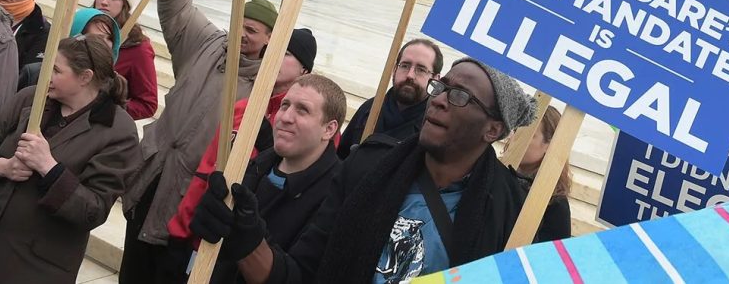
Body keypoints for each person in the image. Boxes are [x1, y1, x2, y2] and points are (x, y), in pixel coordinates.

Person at [193, 58, 537, 284]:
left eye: (460, 95)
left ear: (493, 129)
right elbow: (300, 275)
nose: (440, 99)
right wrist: (245, 237)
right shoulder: (366, 168)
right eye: (441, 87)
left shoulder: (514, 217)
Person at [118, 0, 279, 283]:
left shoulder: (263, 86)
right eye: (241, 24)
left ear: (269, 38)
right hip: (151, 178)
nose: (243, 33)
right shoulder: (207, 42)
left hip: (189, 205)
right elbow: (178, 10)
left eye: (253, 30)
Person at [159, 28, 324, 282]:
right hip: (208, 236)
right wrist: (182, 230)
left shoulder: (313, 128)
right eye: (273, 50)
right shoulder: (241, 109)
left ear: (305, 70)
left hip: (259, 253)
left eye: (287, 53)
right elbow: (207, 171)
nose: (276, 57)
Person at [0, 34, 140, 283]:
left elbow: (94, 210)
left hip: (31, 267)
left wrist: (49, 167)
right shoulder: (31, 98)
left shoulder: (118, 131)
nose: (46, 75)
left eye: (56, 70)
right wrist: (0, 166)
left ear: (85, 77)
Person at [189, 73, 347, 284]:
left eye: (303, 110)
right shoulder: (254, 165)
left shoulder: (337, 196)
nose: (285, 117)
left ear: (329, 129)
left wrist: (248, 240)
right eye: (284, 105)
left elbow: (301, 277)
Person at [337, 38, 443, 159]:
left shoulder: (431, 128)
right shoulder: (370, 108)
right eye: (405, 66)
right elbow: (341, 156)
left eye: (421, 69)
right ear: (394, 69)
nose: (410, 75)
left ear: (435, 79)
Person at [94, 0, 159, 119]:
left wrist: (106, 110)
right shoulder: (80, 28)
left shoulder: (138, 48)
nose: (104, 2)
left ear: (125, 5)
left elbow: (148, 104)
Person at [18, 7, 122, 90]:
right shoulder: (36, 74)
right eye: (98, 38)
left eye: (110, 38)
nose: (106, 44)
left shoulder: (112, 87)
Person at [513, 105, 572, 242]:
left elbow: (551, 257)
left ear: (549, 145)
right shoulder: (496, 173)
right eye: (516, 130)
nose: (515, 138)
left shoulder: (555, 203)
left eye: (528, 134)